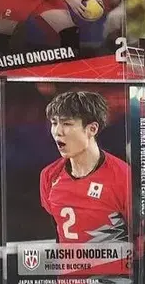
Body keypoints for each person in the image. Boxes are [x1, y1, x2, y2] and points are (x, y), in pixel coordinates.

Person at [39, 90, 131, 271]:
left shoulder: (123, 176)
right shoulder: (49, 176)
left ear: (92, 129)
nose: (57, 132)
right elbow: (57, 231)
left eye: (67, 123)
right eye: (54, 123)